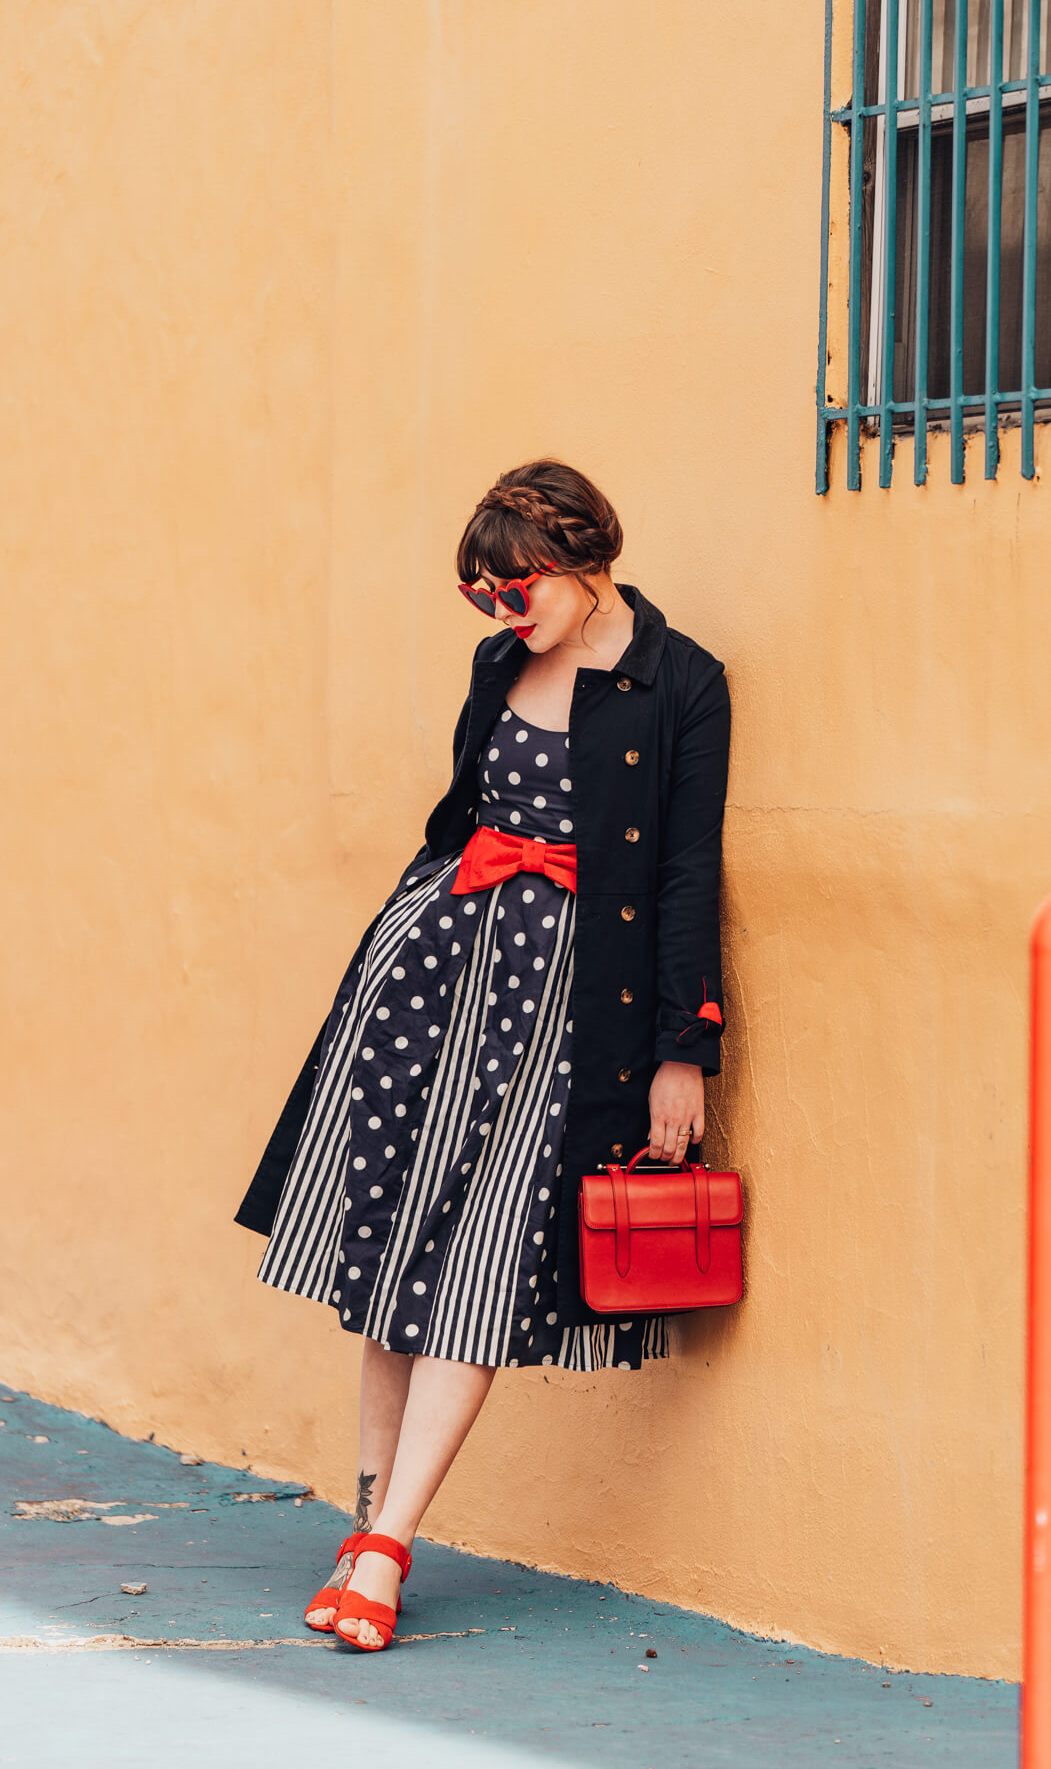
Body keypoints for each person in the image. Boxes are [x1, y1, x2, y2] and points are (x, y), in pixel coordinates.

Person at [234, 459, 730, 1651]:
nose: (503, 617)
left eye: (517, 591)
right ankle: (363, 1529)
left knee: (486, 1264)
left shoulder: (680, 683)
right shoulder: (499, 661)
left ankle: (389, 1549)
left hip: (567, 1011)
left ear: (578, 562)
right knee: (398, 1252)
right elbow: (459, 813)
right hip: (433, 974)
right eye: (483, 598)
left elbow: (681, 874)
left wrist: (681, 1049)